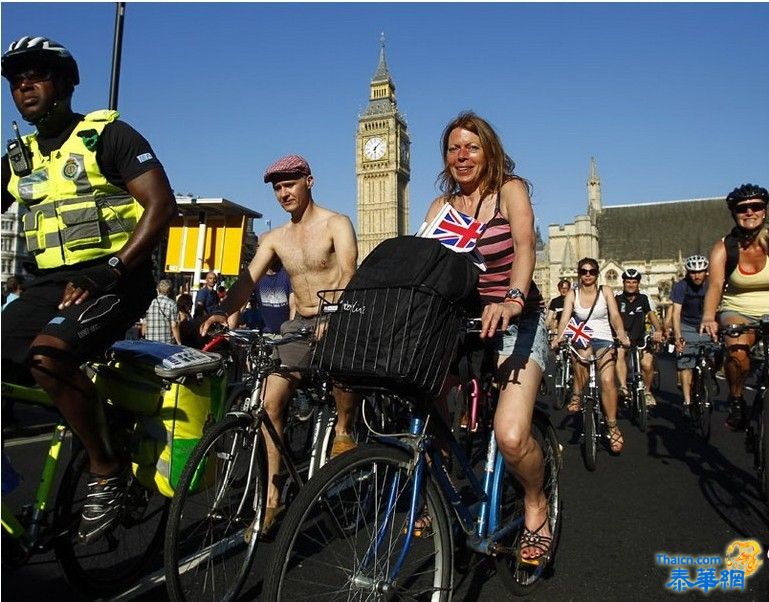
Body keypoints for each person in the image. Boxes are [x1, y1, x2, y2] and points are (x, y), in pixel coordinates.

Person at [0, 36, 176, 544]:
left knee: (48, 357)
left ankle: (107, 465)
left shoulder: (109, 135)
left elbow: (161, 206)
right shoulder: (20, 157)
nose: (23, 86)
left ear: (65, 83)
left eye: (36, 74)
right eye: (15, 80)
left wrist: (113, 269)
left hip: (117, 276)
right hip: (48, 283)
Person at [201, 154, 358, 534]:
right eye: (277, 187)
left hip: (335, 315)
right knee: (269, 403)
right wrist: (224, 310)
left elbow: (351, 271)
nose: (283, 192)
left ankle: (343, 430)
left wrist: (335, 317)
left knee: (342, 360)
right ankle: (273, 496)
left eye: (290, 183)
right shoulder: (275, 238)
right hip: (298, 322)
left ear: (309, 181)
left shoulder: (336, 223)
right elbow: (248, 279)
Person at [421, 112, 551, 565]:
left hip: (517, 319)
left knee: (512, 437)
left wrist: (513, 299)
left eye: (471, 147)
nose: (462, 155)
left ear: (489, 151)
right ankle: (433, 492)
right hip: (464, 323)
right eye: (454, 148)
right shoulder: (441, 208)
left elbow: (526, 247)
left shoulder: (510, 191)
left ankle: (536, 502)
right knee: (422, 401)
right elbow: (424, 265)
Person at [701, 183, 769, 431]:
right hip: (738, 309)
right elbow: (716, 285)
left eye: (756, 207)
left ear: (764, 211)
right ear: (734, 213)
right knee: (738, 352)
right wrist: (709, 315)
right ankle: (737, 398)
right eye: (743, 208)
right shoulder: (724, 248)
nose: (750, 212)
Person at [553, 257, 631, 453]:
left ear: (597, 274)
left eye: (592, 271)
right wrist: (558, 338)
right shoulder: (572, 294)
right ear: (578, 273)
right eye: (583, 271)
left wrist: (621, 334)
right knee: (581, 356)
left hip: (604, 338)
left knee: (606, 381)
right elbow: (564, 319)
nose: (587, 274)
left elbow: (614, 315)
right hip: (583, 336)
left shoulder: (605, 291)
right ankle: (577, 394)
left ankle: (612, 426)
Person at [614, 268, 665, 408]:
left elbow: (651, 315)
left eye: (634, 282)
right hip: (623, 336)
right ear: (623, 283)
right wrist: (618, 333)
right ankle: (623, 387)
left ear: (638, 284)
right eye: (628, 282)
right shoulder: (617, 298)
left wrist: (659, 331)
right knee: (619, 353)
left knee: (647, 365)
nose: (631, 285)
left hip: (640, 336)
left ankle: (648, 392)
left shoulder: (643, 298)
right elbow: (612, 317)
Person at [670, 255, 711, 417]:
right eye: (693, 272)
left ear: (706, 272)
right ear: (688, 273)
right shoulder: (681, 287)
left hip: (707, 324)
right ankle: (687, 401)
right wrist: (678, 336)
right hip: (686, 325)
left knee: (716, 354)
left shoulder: (711, 285)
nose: (697, 276)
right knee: (686, 364)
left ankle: (708, 376)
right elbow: (676, 313)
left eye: (700, 272)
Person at [254, 256, 294, 334]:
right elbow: (240, 303)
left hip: (285, 333)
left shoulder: (288, 275)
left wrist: (289, 332)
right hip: (265, 333)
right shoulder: (256, 276)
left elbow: (293, 307)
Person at [142, 279, 181, 344]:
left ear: (158, 289)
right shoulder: (172, 304)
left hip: (149, 342)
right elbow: (174, 325)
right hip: (166, 342)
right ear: (170, 291)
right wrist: (179, 343)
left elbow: (144, 323)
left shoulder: (150, 302)